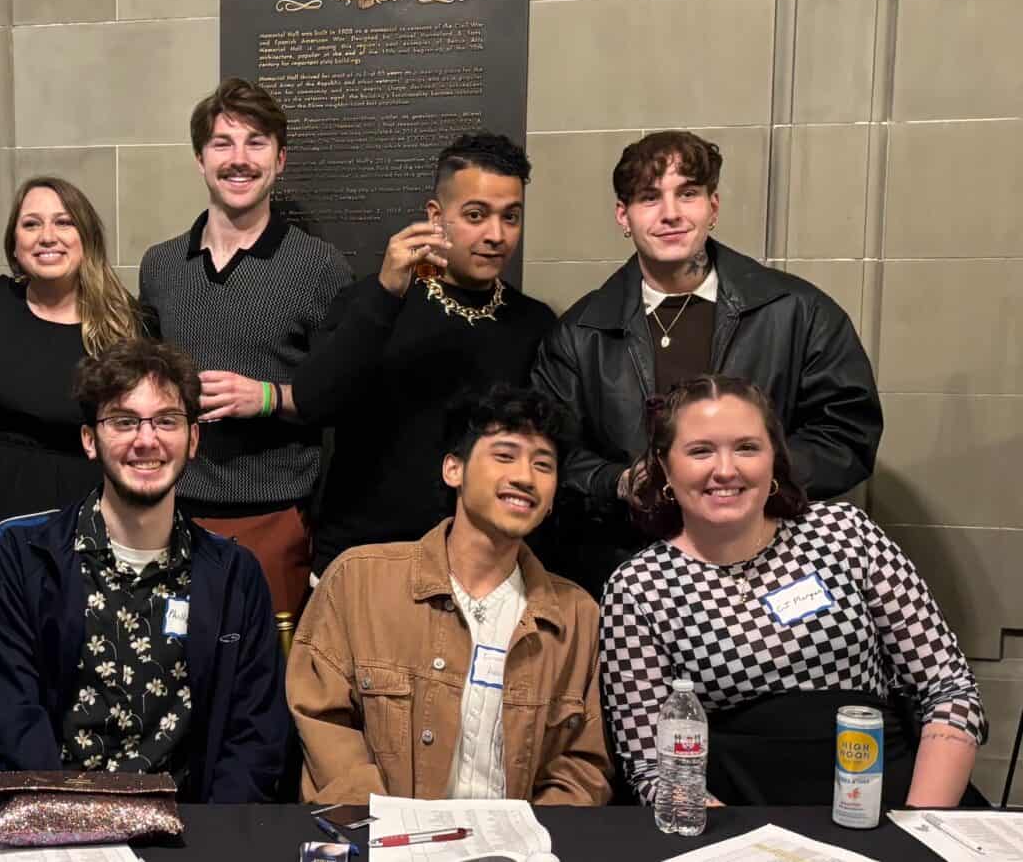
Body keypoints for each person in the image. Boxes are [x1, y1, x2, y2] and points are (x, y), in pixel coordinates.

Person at [602, 374, 984, 808]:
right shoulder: (638, 587)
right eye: (700, 450)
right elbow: (653, 767)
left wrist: (919, 825)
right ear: (666, 469)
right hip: (738, 816)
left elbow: (949, 690)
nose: (726, 469)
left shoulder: (845, 534)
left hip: (891, 801)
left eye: (747, 447)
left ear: (774, 460)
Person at [533, 130, 882, 594]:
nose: (671, 213)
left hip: (771, 568)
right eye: (649, 197)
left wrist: (751, 480)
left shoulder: (798, 310)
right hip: (632, 573)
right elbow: (551, 452)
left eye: (689, 193)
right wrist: (617, 482)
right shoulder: (580, 334)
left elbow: (848, 433)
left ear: (712, 207)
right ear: (624, 215)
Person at [0, 339, 288, 802]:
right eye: (123, 421)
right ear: (90, 441)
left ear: (193, 439)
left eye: (167, 421)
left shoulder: (235, 577)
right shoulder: (19, 556)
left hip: (188, 836)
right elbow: (7, 718)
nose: (146, 439)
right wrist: (69, 833)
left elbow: (254, 739)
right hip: (52, 829)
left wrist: (218, 839)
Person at [288, 386, 609, 805]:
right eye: (505, 455)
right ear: (453, 469)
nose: (525, 477)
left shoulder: (578, 616)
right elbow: (322, 720)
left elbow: (583, 765)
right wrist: (388, 830)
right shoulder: (359, 580)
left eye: (543, 465)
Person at [292, 134, 556, 577]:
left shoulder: (534, 323)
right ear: (437, 217)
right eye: (475, 215)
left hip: (482, 570)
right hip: (366, 561)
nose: (495, 235)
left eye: (510, 217)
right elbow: (313, 401)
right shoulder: (373, 303)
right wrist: (385, 295)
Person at [139, 78, 353, 617]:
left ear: (280, 160)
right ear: (200, 159)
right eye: (222, 143)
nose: (239, 159)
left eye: (256, 143)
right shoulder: (160, 266)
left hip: (275, 518)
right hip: (172, 511)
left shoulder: (321, 268)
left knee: (267, 683)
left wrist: (269, 396)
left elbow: (345, 397)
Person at [0, 176, 150, 577]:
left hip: (79, 515)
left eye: (63, 222)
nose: (47, 236)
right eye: (31, 224)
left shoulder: (123, 324)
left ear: (86, 236)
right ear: (14, 243)